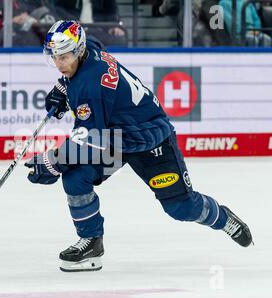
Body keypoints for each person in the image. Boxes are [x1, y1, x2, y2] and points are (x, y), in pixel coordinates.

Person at [24, 20, 253, 272]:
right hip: (116, 137)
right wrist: (63, 86)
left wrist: (52, 161)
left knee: (181, 207)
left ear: (78, 51)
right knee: (76, 177)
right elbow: (96, 46)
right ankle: (92, 242)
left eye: (64, 57)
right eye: (55, 57)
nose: (58, 64)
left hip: (149, 138)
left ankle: (222, 218)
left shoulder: (91, 86)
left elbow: (89, 138)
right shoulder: (88, 50)